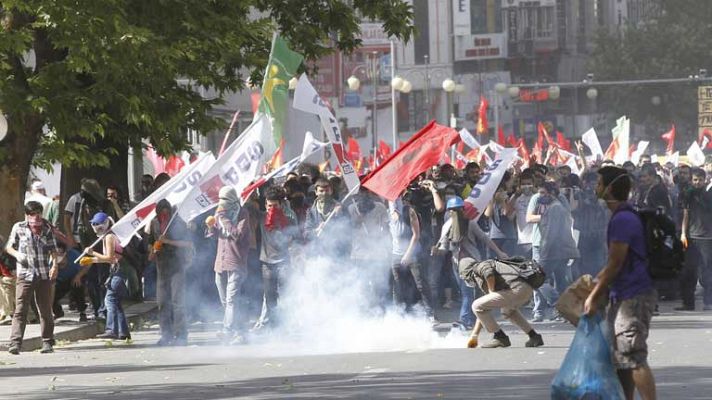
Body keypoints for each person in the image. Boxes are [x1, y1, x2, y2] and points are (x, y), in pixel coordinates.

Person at [584, 166, 657, 400]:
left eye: (598, 183)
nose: (595, 188)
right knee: (622, 359)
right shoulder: (619, 216)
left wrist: (593, 295)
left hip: (633, 296)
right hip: (622, 294)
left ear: (610, 188)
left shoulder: (623, 219)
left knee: (633, 358)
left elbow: (616, 263)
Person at [434, 195, 508, 330]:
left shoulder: (469, 224)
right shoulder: (448, 227)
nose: (455, 213)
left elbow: (485, 239)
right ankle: (474, 318)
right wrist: (436, 251)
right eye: (453, 210)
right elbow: (444, 248)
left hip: (470, 262)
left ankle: (465, 319)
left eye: (457, 210)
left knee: (467, 292)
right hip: (458, 263)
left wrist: (499, 252)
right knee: (467, 292)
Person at [5, 201, 65, 354]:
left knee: (45, 309)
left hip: (43, 274)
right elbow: (8, 246)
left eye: (38, 212)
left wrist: (54, 266)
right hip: (25, 274)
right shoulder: (19, 227)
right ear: (27, 215)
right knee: (20, 309)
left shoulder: (46, 229)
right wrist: (17, 254)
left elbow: (53, 250)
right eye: (32, 213)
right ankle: (15, 343)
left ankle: (47, 341)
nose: (36, 216)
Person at [464, 258, 544, 349]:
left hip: (516, 289)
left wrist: (491, 291)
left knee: (476, 305)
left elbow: (489, 273)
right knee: (508, 312)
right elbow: (483, 313)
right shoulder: (493, 265)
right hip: (526, 290)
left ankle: (500, 337)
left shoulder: (479, 266)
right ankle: (534, 336)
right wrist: (475, 335)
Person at [206, 187, 252, 344]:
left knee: (231, 299)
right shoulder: (219, 215)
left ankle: (227, 330)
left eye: (225, 201)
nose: (222, 205)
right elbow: (213, 236)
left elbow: (237, 235)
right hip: (220, 262)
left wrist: (224, 219)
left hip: (236, 261)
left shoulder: (242, 214)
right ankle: (241, 332)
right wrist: (211, 226)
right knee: (226, 301)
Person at [78, 212, 131, 340]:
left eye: (98, 224)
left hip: (120, 270)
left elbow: (109, 258)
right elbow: (108, 258)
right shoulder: (107, 236)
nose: (95, 227)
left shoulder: (109, 237)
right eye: (94, 224)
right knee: (116, 301)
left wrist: (92, 253)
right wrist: (91, 260)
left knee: (110, 299)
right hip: (118, 269)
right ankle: (123, 332)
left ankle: (111, 329)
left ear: (105, 224)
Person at [253, 186, 298, 330]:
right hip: (266, 262)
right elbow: (247, 208)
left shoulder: (289, 217)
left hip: (283, 261)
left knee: (285, 294)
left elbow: (293, 237)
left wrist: (281, 227)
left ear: (281, 204)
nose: (271, 208)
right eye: (269, 205)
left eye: (275, 205)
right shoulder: (262, 216)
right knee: (269, 296)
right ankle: (273, 325)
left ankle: (287, 324)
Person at [150, 199, 192, 346]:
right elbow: (151, 241)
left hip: (177, 265)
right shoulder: (154, 223)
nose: (164, 213)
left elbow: (187, 243)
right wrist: (153, 250)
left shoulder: (177, 222)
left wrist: (167, 241)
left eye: (166, 210)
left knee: (177, 301)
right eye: (161, 211)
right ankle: (165, 334)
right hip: (161, 267)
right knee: (162, 302)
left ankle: (181, 335)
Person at [679, 168, 712, 311]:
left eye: (700, 180)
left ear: (705, 180)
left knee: (706, 270)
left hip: (707, 237)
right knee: (689, 271)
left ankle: (708, 302)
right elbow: (686, 215)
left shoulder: (709, 195)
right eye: (695, 180)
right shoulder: (688, 195)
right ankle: (688, 303)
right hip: (692, 236)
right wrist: (683, 233)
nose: (697, 182)